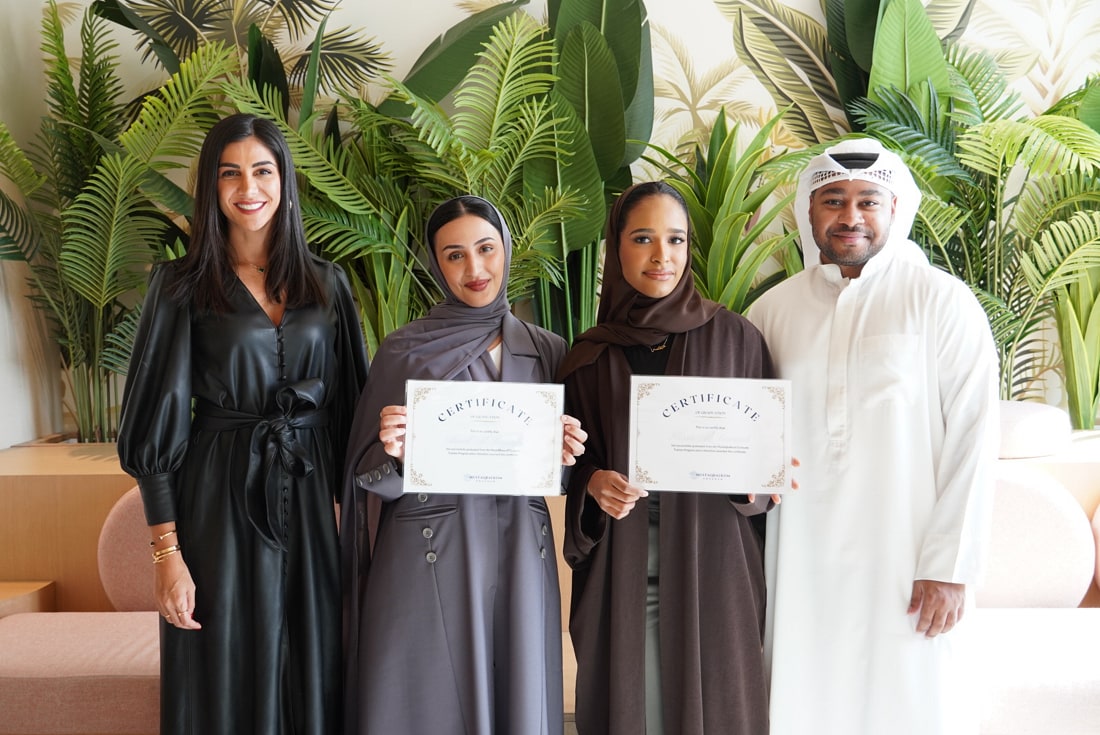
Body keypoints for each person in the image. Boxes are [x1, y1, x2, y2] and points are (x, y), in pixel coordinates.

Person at [117, 112, 370, 735]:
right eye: (229, 174)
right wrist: (166, 556)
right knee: (222, 657)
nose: (247, 187)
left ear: (284, 179)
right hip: (217, 495)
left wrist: (352, 513)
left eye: (262, 170)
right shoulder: (179, 286)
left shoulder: (329, 284)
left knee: (315, 658)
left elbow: (350, 410)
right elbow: (154, 424)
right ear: (211, 187)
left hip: (313, 499)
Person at [747, 138, 998, 735]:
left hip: (908, 557)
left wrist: (951, 565)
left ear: (896, 210)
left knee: (910, 698)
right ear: (809, 213)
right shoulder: (771, 312)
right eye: (832, 200)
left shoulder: (941, 302)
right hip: (800, 557)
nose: (850, 216)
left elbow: (974, 439)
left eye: (867, 200)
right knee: (801, 695)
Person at [340, 194, 587, 735]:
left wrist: (566, 455)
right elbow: (366, 473)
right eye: (454, 255)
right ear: (436, 264)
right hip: (429, 552)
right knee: (427, 702)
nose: (474, 269)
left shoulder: (548, 348)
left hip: (519, 550)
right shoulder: (404, 349)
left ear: (506, 250)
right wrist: (393, 449)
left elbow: (564, 477)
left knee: (519, 700)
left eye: (486, 249)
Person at [558, 181, 778, 735]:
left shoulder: (736, 338)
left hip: (713, 560)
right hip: (624, 563)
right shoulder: (588, 354)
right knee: (633, 707)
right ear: (617, 248)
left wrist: (756, 482)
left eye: (676, 239)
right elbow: (566, 462)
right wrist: (592, 482)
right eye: (643, 238)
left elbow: (766, 459)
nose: (663, 255)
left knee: (716, 706)